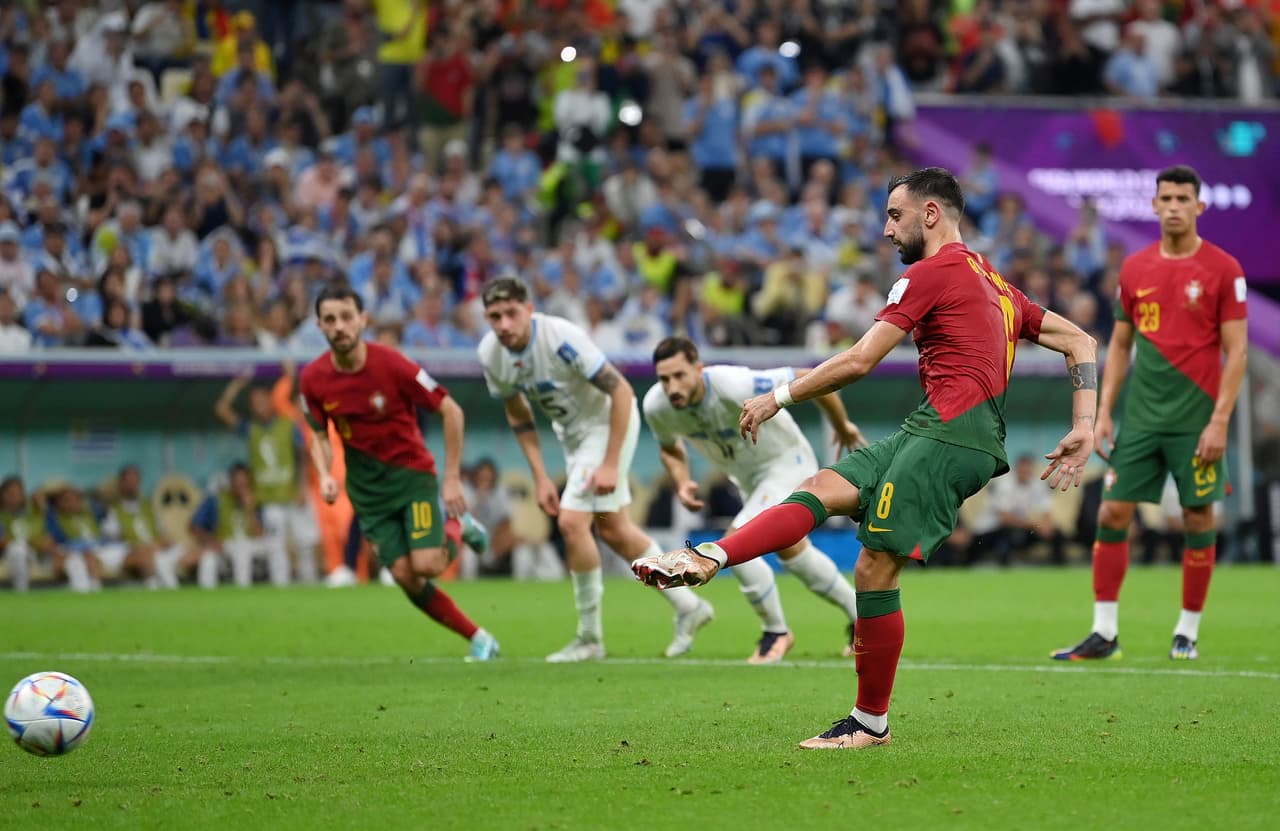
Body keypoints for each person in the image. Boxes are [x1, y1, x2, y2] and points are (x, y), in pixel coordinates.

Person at [633, 168, 1098, 750]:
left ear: (931, 214)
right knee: (818, 488)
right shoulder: (996, 284)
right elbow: (1081, 341)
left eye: (895, 215)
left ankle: (870, 723)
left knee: (874, 568)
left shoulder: (929, 273)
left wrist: (779, 397)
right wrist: (1085, 423)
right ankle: (709, 557)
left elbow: (859, 361)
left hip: (953, 435)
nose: (886, 230)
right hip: (931, 428)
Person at [1053, 165, 1248, 663]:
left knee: (1197, 516)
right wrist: (1103, 412)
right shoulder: (1135, 269)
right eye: (1167, 198)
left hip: (1196, 421)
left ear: (1199, 206)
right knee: (1112, 512)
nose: (1175, 206)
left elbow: (1237, 351)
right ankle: (1104, 632)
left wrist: (1220, 421)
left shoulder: (1224, 269)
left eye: (1184, 198)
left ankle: (1187, 631)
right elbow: (1120, 346)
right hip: (1140, 419)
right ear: (1155, 205)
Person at [478, 277, 713, 663]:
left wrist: (609, 463)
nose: (504, 324)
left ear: (529, 310)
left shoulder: (560, 339)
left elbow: (621, 391)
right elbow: (518, 413)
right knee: (615, 530)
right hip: (573, 437)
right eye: (494, 316)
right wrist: (540, 475)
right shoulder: (491, 353)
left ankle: (589, 638)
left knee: (571, 523)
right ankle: (689, 606)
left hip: (608, 424)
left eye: (511, 313)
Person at [300, 283, 499, 662]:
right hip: (368, 494)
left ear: (363, 320)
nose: (339, 326)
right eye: (330, 320)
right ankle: (479, 638)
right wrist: (324, 472)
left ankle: (459, 525)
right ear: (319, 326)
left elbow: (451, 411)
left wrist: (451, 478)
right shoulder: (313, 378)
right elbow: (319, 433)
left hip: (411, 479)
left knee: (427, 565)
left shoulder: (392, 364)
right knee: (406, 577)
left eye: (346, 317)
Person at [643, 336, 867, 663]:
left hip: (787, 464)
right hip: (750, 481)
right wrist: (681, 480)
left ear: (698, 369)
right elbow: (669, 448)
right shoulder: (656, 406)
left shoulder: (732, 384)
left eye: (679, 375)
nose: (672, 387)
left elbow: (809, 376)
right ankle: (861, 620)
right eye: (664, 379)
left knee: (736, 542)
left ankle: (776, 632)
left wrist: (841, 425)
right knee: (793, 553)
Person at [215, 369, 318, 584]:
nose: (259, 406)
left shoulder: (288, 425)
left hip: (292, 494)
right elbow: (221, 410)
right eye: (255, 403)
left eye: (262, 400)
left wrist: (302, 487)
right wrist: (236, 386)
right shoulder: (250, 429)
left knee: (305, 544)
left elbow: (302, 456)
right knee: (276, 548)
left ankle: (311, 583)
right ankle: (281, 589)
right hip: (269, 499)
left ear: (271, 401)